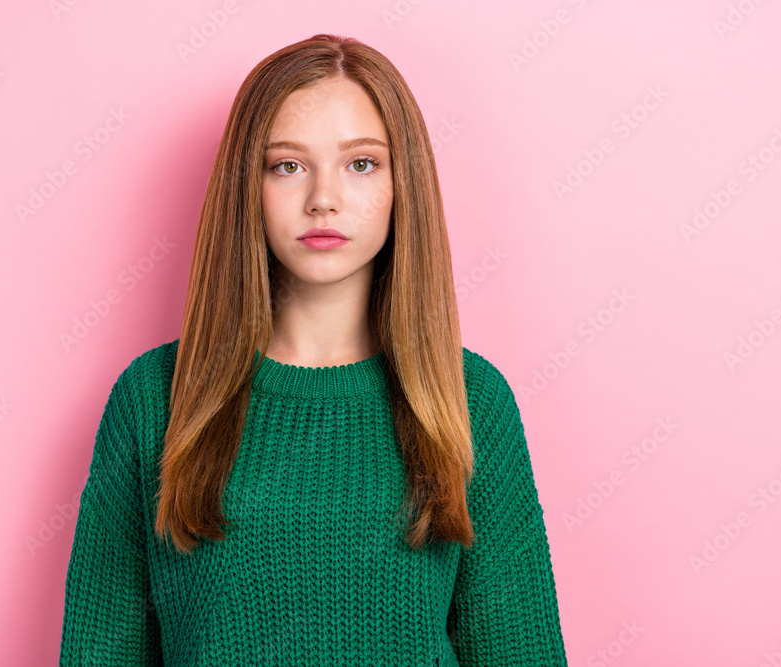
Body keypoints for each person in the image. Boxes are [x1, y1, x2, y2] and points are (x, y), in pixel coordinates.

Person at [59, 33, 569, 666]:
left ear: (400, 183)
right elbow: (100, 650)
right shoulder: (152, 397)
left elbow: (518, 652)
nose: (323, 197)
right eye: (288, 165)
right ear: (249, 186)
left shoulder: (472, 401)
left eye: (361, 163)